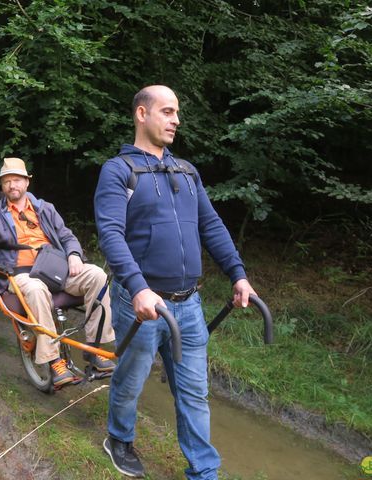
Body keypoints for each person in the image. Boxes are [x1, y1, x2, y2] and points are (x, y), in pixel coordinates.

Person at [94, 85, 257, 479]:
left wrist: (238, 273)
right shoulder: (118, 171)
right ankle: (118, 437)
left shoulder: (186, 171)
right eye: (167, 112)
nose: (176, 120)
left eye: (176, 112)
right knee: (131, 380)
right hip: (144, 305)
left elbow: (210, 224)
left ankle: (204, 471)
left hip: (189, 306)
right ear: (141, 114)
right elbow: (111, 234)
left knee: (194, 392)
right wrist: (137, 287)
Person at [0, 157, 116, 388]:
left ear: (26, 182)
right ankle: (53, 361)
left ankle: (95, 349)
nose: (12, 185)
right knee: (37, 289)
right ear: (2, 185)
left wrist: (74, 254)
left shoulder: (45, 209)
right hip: (20, 273)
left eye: (16, 180)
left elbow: (66, 236)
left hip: (54, 266)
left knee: (97, 275)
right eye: (7, 181)